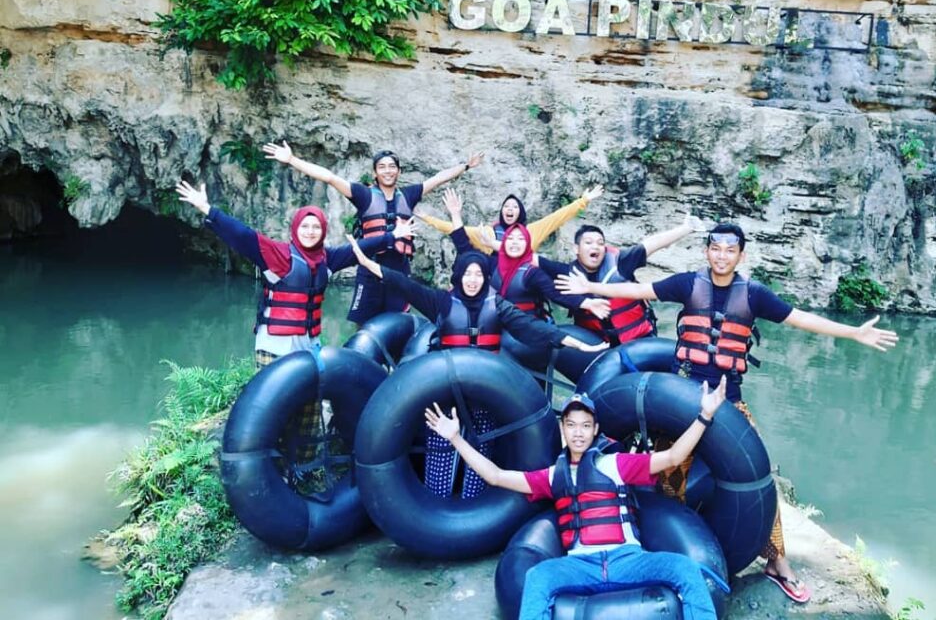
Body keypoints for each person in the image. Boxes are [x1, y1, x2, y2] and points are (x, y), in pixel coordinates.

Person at [555, 222, 900, 604]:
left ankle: (777, 562)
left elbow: (802, 318)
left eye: (729, 250)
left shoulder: (754, 295)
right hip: (681, 398)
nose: (721, 256)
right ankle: (668, 550)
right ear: (707, 251)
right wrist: (591, 288)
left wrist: (853, 333)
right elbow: (637, 290)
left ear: (740, 254)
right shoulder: (689, 283)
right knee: (667, 478)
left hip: (727, 402)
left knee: (757, 480)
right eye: (715, 249)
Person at [425, 383, 730, 620]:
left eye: (586, 425)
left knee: (685, 569)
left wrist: (705, 415)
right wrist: (455, 438)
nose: (579, 433)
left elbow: (673, 457)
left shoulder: (617, 464)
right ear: (563, 429)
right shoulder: (551, 476)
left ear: (596, 430)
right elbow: (495, 475)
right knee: (538, 577)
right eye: (571, 425)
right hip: (580, 565)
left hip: (628, 560)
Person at [346, 234, 607, 499]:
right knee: (441, 448)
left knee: (481, 448)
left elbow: (531, 328)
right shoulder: (443, 302)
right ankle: (438, 502)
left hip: (484, 394)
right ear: (459, 276)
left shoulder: (498, 306)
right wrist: (368, 263)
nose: (473, 280)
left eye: (479, 274)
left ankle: (473, 501)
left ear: (486, 278)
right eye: (468, 274)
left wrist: (573, 342)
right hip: (444, 394)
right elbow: (405, 285)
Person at [175, 180, 413, 462]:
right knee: (273, 406)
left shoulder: (327, 258)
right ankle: (268, 463)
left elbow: (358, 248)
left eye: (316, 227)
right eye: (305, 226)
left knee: (310, 405)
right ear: (296, 228)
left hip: (307, 344)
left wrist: (391, 236)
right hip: (274, 345)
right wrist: (207, 209)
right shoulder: (277, 255)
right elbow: (243, 236)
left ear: (322, 230)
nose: (310, 232)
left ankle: (305, 462)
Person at [262, 141, 484, 324]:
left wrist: (466, 166)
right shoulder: (363, 195)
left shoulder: (410, 194)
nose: (388, 170)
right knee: (364, 324)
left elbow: (438, 178)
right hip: (369, 269)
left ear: (399, 171)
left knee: (398, 322)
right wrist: (292, 160)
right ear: (375, 172)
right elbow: (329, 177)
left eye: (392, 166)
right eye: (382, 167)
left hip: (399, 269)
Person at [440, 188, 609, 323]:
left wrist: (587, 303)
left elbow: (556, 294)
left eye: (520, 239)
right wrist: (455, 214)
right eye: (510, 238)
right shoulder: (492, 264)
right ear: (504, 242)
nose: (514, 242)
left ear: (527, 244)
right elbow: (464, 246)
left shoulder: (532, 273)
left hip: (526, 326)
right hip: (498, 323)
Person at [538, 217, 702, 346]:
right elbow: (532, 259)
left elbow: (652, 244)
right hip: (598, 346)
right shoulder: (567, 273)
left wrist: (686, 228)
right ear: (576, 249)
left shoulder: (621, 262)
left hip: (639, 340)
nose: (595, 247)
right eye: (588, 243)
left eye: (600, 243)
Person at [417, 185, 605, 254]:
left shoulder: (531, 231)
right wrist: (426, 218)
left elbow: (557, 217)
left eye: (515, 207)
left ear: (520, 213)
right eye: (506, 206)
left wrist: (584, 200)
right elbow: (455, 229)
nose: (510, 209)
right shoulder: (488, 233)